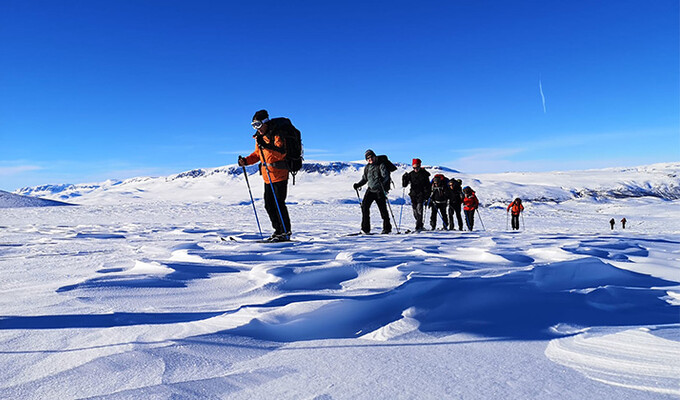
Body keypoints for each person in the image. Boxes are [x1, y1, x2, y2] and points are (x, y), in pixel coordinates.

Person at [238, 109, 292, 242]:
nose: (257, 128)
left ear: (265, 123)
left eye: (258, 125)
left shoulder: (277, 134)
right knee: (269, 205)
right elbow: (258, 154)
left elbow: (280, 154)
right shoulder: (260, 138)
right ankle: (278, 231)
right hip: (267, 177)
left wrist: (265, 146)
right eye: (254, 125)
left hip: (279, 174)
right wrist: (246, 161)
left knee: (279, 204)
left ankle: (285, 232)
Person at [353, 149, 392, 234]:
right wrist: (358, 185)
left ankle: (387, 228)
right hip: (370, 190)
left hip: (379, 190)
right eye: (368, 158)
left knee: (383, 210)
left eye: (371, 157)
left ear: (374, 156)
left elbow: (385, 176)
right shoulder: (367, 167)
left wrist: (381, 180)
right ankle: (365, 229)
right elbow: (365, 179)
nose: (370, 159)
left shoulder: (380, 165)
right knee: (364, 207)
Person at [401, 158, 431, 231]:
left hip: (421, 194)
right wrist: (404, 178)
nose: (415, 169)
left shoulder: (424, 174)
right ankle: (419, 224)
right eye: (414, 167)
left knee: (419, 209)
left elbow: (428, 186)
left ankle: (418, 226)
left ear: (420, 166)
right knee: (415, 212)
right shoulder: (411, 174)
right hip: (413, 195)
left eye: (417, 167)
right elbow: (405, 185)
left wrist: (427, 195)